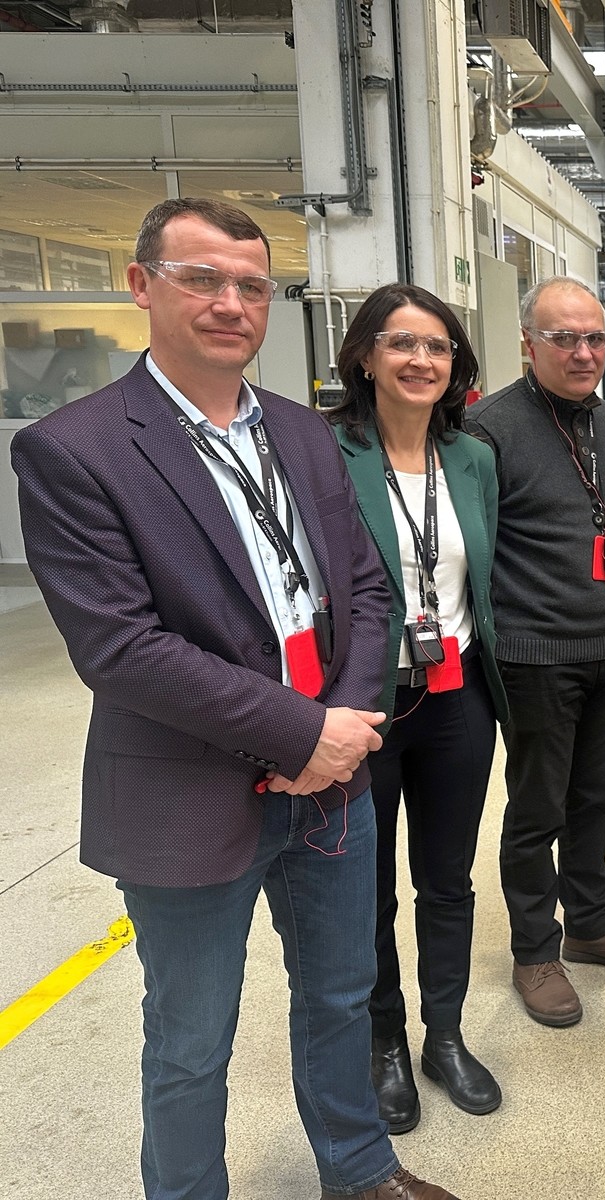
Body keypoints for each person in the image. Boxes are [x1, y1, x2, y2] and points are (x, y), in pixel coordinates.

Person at [11, 199, 457, 1199]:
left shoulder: (301, 432)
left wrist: (342, 732)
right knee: (190, 1037)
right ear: (142, 286)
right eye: (202, 279)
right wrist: (302, 733)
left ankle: (359, 1168)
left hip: (332, 783)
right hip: (186, 789)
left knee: (340, 995)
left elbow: (367, 587)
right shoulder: (76, 449)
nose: (230, 303)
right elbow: (121, 648)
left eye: (251, 285)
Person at [465, 277, 605, 1029]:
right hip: (536, 656)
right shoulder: (485, 431)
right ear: (529, 343)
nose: (584, 353)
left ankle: (589, 922)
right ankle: (534, 950)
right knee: (537, 809)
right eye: (564, 338)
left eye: (595, 338)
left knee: (594, 799)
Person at [328, 284, 508, 1133]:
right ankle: (385, 1042)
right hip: (363, 707)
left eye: (437, 347)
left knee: (447, 880)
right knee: (367, 889)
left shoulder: (471, 458)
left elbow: (484, 578)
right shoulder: (328, 453)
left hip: (456, 697)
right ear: (366, 355)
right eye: (401, 343)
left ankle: (446, 1034)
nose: (420, 360)